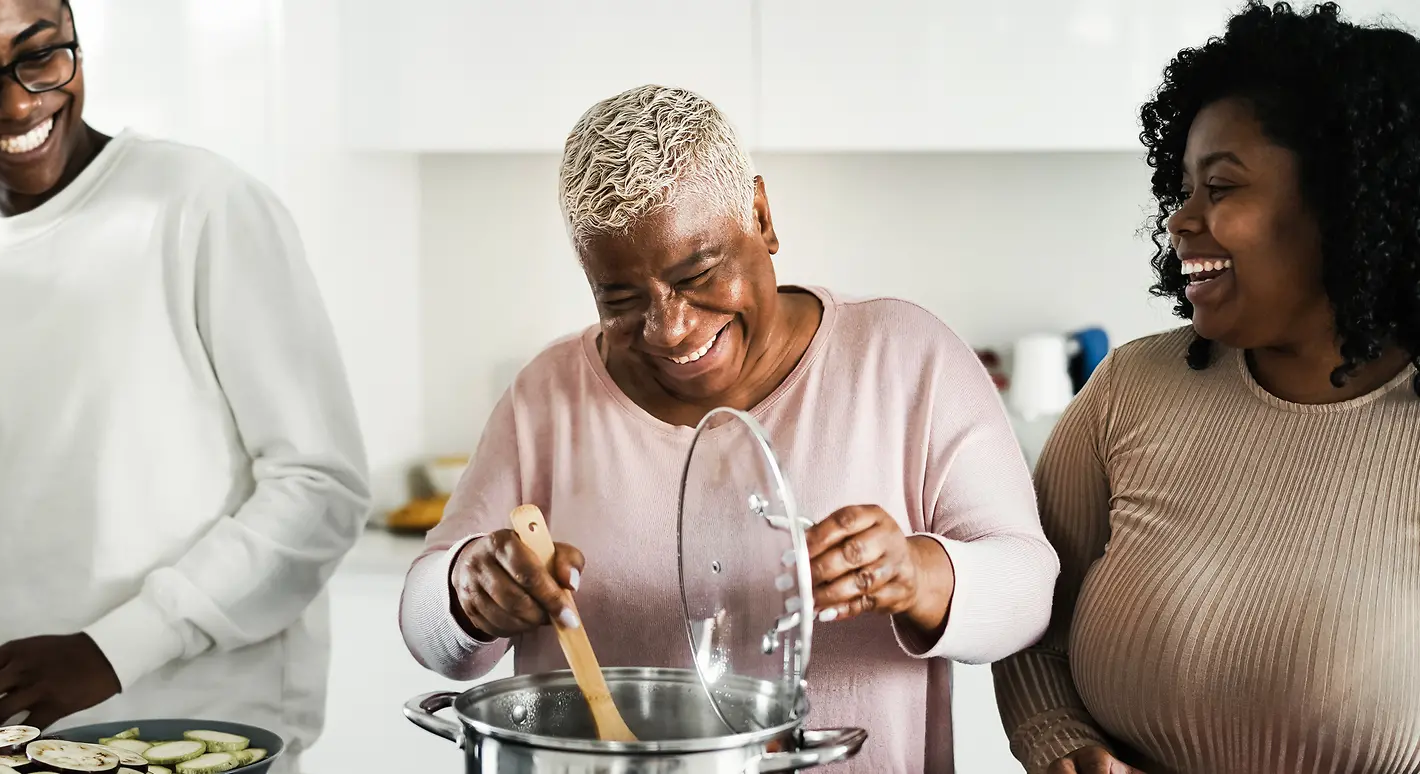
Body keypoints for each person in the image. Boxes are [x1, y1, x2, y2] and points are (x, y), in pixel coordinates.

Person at [398, 84, 1059, 773]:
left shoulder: (905, 358)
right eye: (620, 300)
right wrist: (464, 591)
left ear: (763, 218)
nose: (671, 328)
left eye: (699, 273)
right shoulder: (549, 394)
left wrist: (919, 574)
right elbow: (425, 623)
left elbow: (1030, 590)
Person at [0, 0, 370, 768]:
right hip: (25, 752)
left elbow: (319, 488)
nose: (17, 101)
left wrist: (107, 653)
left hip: (217, 744)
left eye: (40, 54)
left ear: (73, 28)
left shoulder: (202, 206)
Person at [991, 4, 1420, 773]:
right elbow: (1031, 616)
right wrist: (1065, 747)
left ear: (1345, 203)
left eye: (1220, 187)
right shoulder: (1130, 389)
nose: (1180, 221)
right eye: (1183, 188)